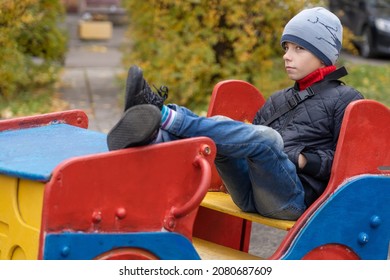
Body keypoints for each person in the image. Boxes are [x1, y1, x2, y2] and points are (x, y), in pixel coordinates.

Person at [107, 7, 364, 220]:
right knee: (224, 125)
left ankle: (164, 116)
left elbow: (351, 164)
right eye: (286, 48)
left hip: (293, 201)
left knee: (267, 138)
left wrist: (304, 161)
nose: (287, 56)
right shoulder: (279, 99)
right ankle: (155, 136)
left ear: (323, 56)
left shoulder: (346, 99)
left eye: (299, 49)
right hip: (249, 193)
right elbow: (243, 141)